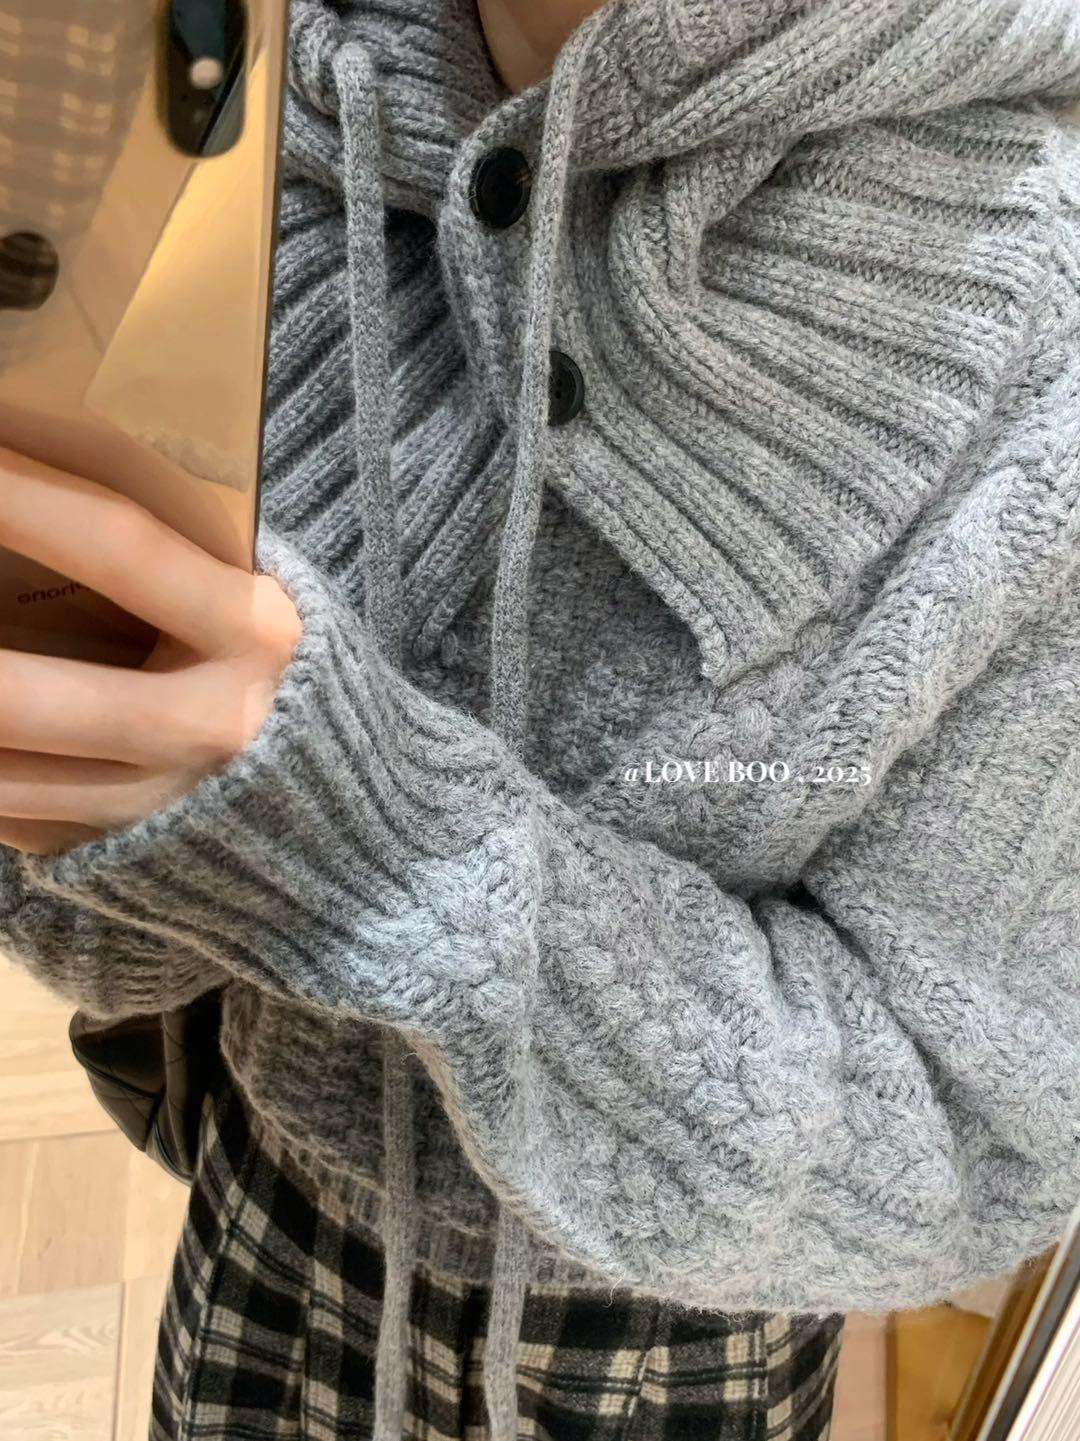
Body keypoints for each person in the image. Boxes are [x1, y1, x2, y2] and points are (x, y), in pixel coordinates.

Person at [3, 0, 1080, 1436]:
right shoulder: (209, 107)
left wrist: (375, 849)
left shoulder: (1043, 325)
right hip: (271, 1219)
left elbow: (962, 1134)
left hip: (683, 1336)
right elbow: (95, 939)